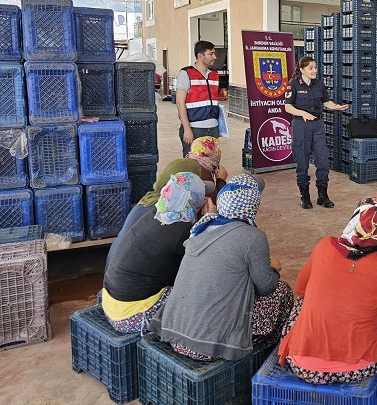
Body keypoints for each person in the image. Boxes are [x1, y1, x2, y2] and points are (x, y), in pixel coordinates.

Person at [150, 175, 294, 361]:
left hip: (174, 335)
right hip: (208, 347)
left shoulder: (201, 227)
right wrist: (274, 268)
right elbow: (266, 287)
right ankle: (266, 354)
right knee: (283, 291)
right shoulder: (253, 236)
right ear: (253, 205)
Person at [278, 198, 377, 384]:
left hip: (303, 366)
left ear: (354, 222)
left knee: (304, 300)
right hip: (361, 369)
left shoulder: (325, 245)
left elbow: (300, 289)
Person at [102, 172, 209, 333]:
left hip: (111, 305)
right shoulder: (181, 231)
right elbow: (206, 260)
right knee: (203, 287)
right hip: (131, 317)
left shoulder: (155, 215)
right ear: (194, 203)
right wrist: (208, 220)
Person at [106, 137, 227, 264]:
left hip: (114, 272)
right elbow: (197, 251)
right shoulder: (171, 217)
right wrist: (221, 182)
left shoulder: (149, 202)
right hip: (134, 278)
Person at [284, 56, 348, 210]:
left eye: (315, 67)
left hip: (318, 125)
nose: (314, 71)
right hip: (301, 126)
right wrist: (302, 113)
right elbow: (288, 107)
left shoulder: (319, 84)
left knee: (322, 160)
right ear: (302, 70)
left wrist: (335, 106)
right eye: (310, 68)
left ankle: (322, 195)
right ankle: (305, 196)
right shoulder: (293, 85)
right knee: (302, 162)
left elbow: (326, 101)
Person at [176, 40, 220, 157]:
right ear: (200, 56)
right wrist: (187, 129)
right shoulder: (186, 73)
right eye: (211, 54)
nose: (214, 57)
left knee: (211, 165)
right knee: (192, 167)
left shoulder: (214, 75)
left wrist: (219, 126)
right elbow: (180, 103)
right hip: (195, 130)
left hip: (213, 129)